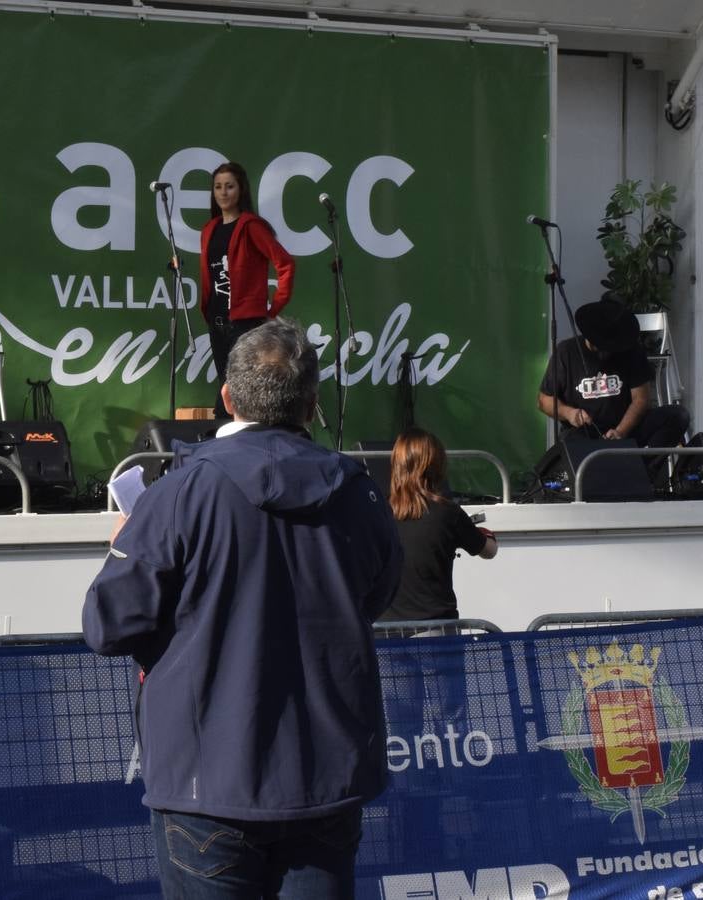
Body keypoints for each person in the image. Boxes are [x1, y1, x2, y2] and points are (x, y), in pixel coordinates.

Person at [83, 318, 401, 899]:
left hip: (210, 788)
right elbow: (376, 596)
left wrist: (122, 545)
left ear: (227, 399)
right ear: (312, 404)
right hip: (322, 779)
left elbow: (108, 623)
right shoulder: (358, 490)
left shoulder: (179, 494)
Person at [199, 161, 295, 418]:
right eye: (218, 187)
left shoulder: (251, 226)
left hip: (245, 321)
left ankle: (226, 434)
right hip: (217, 318)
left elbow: (284, 263)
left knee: (239, 387)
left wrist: (274, 308)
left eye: (229, 186)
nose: (223, 192)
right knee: (225, 385)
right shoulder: (210, 229)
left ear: (241, 190)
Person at [537, 296, 689, 452]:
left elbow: (641, 399)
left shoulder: (631, 350)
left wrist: (620, 432)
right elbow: (544, 400)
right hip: (583, 434)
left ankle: (645, 469)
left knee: (677, 416)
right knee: (573, 446)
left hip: (627, 430)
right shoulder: (566, 352)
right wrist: (569, 413)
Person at [378, 427, 497, 622]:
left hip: (386, 629)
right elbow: (489, 550)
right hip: (435, 627)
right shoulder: (447, 512)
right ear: (436, 465)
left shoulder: (379, 511)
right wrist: (487, 534)